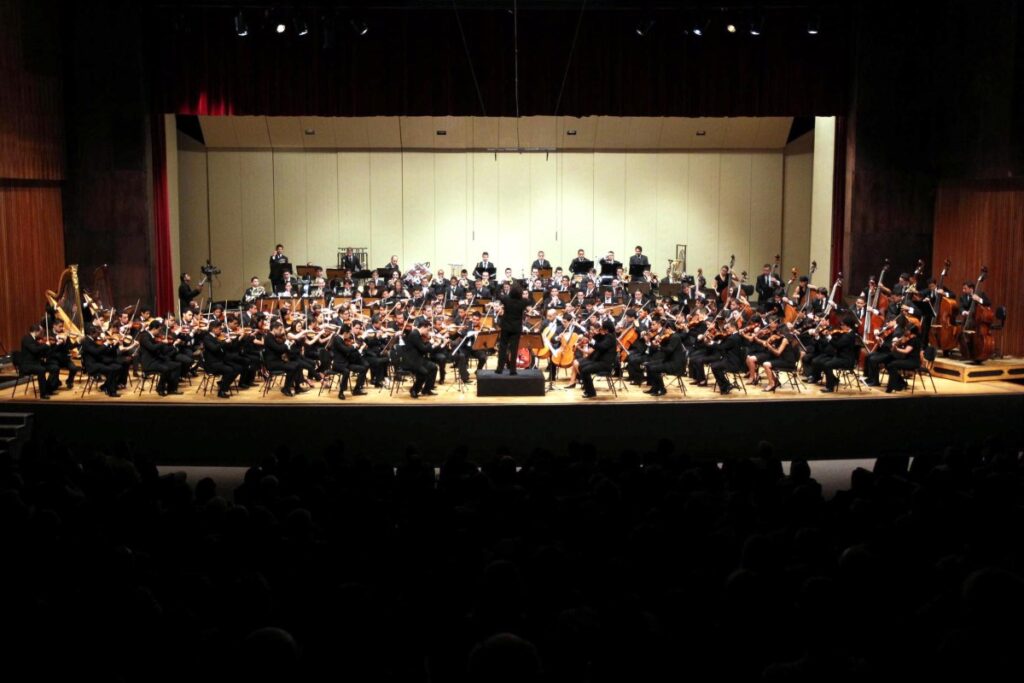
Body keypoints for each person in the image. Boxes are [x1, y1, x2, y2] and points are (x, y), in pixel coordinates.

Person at [139, 320, 182, 396]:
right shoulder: (144, 337)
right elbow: (152, 348)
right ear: (154, 329)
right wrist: (162, 343)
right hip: (149, 363)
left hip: (156, 360)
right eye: (158, 330)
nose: (159, 332)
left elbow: (162, 349)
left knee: (177, 365)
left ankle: (171, 389)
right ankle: (160, 388)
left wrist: (173, 346)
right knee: (165, 369)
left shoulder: (153, 337)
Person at [495, 284, 530, 375]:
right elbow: (531, 300)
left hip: (506, 327)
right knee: (514, 349)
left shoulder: (506, 299)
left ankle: (500, 368)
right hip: (516, 328)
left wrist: (501, 285)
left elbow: (497, 294)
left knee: (503, 348)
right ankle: (513, 370)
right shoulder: (523, 302)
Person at [19, 324, 60, 398]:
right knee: (42, 370)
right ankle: (43, 394)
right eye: (40, 332)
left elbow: (41, 351)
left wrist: (53, 345)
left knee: (55, 368)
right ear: (36, 331)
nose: (40, 334)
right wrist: (45, 345)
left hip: (36, 363)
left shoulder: (34, 339)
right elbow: (35, 350)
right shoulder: (27, 339)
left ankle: (48, 389)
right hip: (28, 365)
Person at [80, 324, 122, 397]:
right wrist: (106, 344)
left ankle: (105, 386)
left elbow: (106, 351)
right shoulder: (86, 341)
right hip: (92, 365)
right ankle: (111, 391)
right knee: (111, 370)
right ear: (92, 333)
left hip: (99, 362)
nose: (98, 336)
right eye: (97, 334)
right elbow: (96, 351)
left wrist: (115, 345)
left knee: (118, 367)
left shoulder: (93, 340)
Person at [202, 320, 240, 399]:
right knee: (229, 370)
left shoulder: (217, 337)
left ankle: (222, 383)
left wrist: (230, 341)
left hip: (220, 361)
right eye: (219, 329)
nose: (221, 331)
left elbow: (225, 347)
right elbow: (214, 349)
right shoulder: (207, 338)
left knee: (237, 368)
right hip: (212, 364)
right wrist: (225, 342)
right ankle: (222, 391)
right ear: (213, 329)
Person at [578, 320, 616, 398]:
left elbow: (601, 347)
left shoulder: (610, 337)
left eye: (602, 327)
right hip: (599, 361)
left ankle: (591, 392)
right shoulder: (606, 336)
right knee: (581, 366)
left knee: (585, 370)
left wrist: (591, 340)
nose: (601, 328)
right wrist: (592, 337)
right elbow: (598, 343)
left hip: (605, 364)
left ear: (606, 329)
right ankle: (588, 390)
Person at [403, 320, 437, 398]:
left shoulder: (418, 334)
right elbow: (423, 349)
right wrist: (430, 343)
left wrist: (432, 345)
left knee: (433, 367)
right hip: (411, 361)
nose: (428, 332)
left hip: (418, 359)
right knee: (424, 373)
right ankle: (414, 390)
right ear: (423, 327)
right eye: (427, 330)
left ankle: (426, 390)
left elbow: (423, 349)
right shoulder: (414, 334)